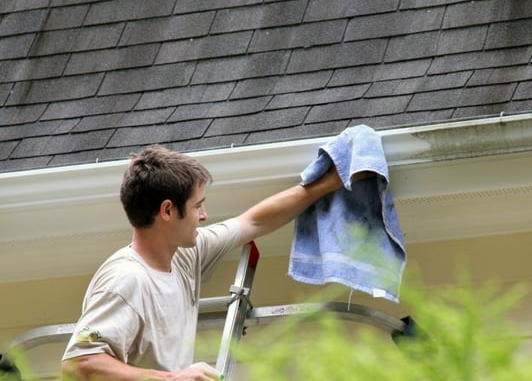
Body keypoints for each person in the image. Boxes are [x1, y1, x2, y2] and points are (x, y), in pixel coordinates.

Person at [61, 144, 343, 381]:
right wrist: (173, 378)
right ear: (168, 210)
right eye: (198, 205)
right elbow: (78, 364)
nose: (204, 215)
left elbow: (253, 221)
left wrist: (330, 182)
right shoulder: (126, 279)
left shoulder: (184, 256)